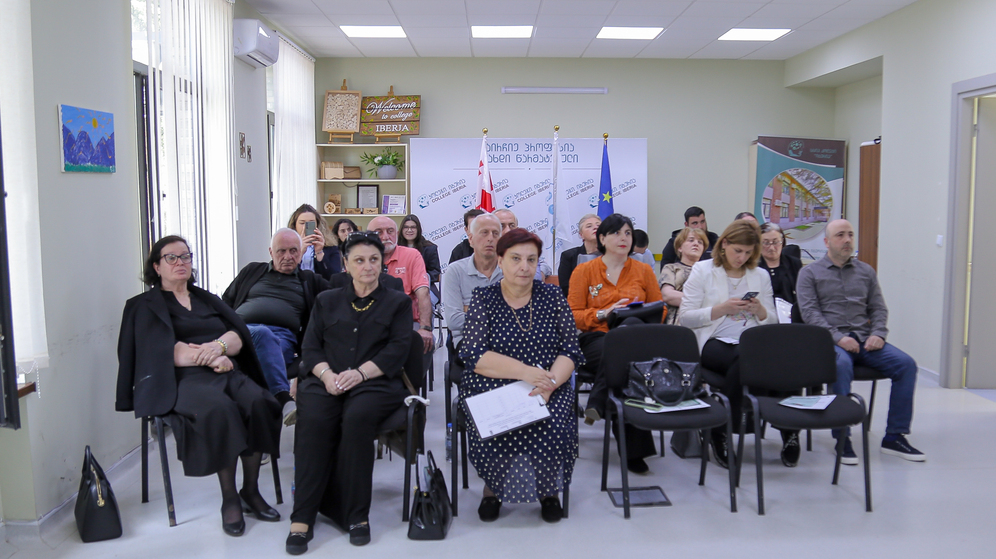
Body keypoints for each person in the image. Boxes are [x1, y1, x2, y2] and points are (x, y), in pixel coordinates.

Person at [116, 236, 282, 538]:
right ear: (156, 266)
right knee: (221, 410)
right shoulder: (143, 306)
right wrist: (212, 358)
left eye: (185, 256)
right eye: (171, 257)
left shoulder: (207, 298)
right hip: (180, 379)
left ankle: (250, 490)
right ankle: (229, 499)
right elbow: (162, 351)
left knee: (260, 403)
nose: (180, 262)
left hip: (226, 371)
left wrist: (220, 347)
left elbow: (237, 335)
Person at [286, 232, 414, 554]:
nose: (367, 266)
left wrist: (359, 374)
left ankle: (357, 515)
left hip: (375, 381)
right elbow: (310, 348)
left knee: (357, 418)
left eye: (374, 259)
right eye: (359, 260)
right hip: (326, 379)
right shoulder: (326, 300)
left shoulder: (398, 302)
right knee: (315, 421)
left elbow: (397, 350)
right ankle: (302, 517)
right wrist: (327, 375)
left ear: (382, 263)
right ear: (345, 264)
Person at [459, 228, 583, 524]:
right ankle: (492, 489)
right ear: (500, 260)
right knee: (497, 424)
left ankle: (548, 490)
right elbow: (474, 355)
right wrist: (528, 373)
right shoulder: (484, 298)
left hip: (548, 385)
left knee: (552, 424)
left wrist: (549, 384)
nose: (524, 267)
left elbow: (570, 349)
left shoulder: (552, 295)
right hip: (492, 384)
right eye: (516, 258)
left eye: (531, 259)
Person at [796, 219, 925, 464]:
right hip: (831, 342)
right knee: (841, 366)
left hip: (865, 340)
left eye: (850, 235)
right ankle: (842, 437)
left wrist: (878, 333)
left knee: (906, 365)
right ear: (826, 242)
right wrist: (839, 338)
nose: (847, 240)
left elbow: (878, 308)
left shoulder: (866, 271)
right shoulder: (809, 273)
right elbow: (810, 314)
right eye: (840, 235)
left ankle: (895, 436)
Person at [678, 220, 777, 469]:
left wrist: (760, 311)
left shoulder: (760, 275)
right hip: (713, 341)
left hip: (751, 342)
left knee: (755, 356)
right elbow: (686, 317)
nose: (742, 258)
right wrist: (721, 309)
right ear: (724, 245)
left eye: (748, 252)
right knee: (747, 358)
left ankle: (720, 428)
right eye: (737, 251)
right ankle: (735, 423)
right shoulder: (703, 270)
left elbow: (773, 321)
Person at [568, 214, 663, 474]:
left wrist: (636, 314)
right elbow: (573, 314)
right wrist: (604, 313)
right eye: (617, 233)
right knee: (625, 359)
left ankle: (598, 400)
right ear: (602, 238)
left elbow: (660, 309)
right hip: (596, 338)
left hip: (636, 338)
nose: (624, 238)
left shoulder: (644, 270)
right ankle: (634, 452)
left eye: (628, 233)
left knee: (628, 338)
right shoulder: (584, 270)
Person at [222, 229, 329, 406]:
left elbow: (338, 293)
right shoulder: (253, 271)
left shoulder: (309, 280)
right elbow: (226, 303)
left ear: (301, 252)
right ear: (271, 252)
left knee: (263, 340)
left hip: (280, 338)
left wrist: (321, 256)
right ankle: (283, 401)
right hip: (240, 332)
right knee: (259, 337)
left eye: (293, 251)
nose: (288, 256)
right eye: (281, 251)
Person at [367, 216, 433, 353]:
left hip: (407, 321)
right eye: (379, 232)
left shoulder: (412, 255)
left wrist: (425, 328)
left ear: (397, 234)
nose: (386, 237)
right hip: (371, 322)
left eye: (390, 231)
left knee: (421, 343)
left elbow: (423, 293)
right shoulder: (362, 258)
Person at [443, 213, 503, 349]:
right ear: (471, 239)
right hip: (468, 340)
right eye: (484, 233)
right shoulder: (455, 270)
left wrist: (469, 309)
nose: (490, 238)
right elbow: (453, 320)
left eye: (495, 234)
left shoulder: (510, 270)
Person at [659, 227, 709, 325]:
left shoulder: (709, 271)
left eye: (700, 242)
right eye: (691, 240)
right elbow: (667, 295)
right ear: (680, 247)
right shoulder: (670, 268)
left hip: (705, 321)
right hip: (678, 322)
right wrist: (703, 300)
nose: (696, 244)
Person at [758, 222, 803, 324]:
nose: (771, 248)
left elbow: (801, 294)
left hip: (790, 318)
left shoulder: (794, 263)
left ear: (782, 242)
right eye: (766, 243)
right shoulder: (754, 266)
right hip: (763, 319)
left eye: (775, 242)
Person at [494, 208, 553, 280]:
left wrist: (540, 273)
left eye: (512, 226)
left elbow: (544, 266)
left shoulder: (523, 250)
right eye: (502, 226)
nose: (508, 231)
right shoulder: (485, 253)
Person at [289, 204, 340, 279]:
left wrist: (319, 253)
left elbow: (334, 277)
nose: (305, 227)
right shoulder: (286, 247)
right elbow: (285, 275)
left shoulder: (331, 247)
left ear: (317, 224)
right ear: (295, 225)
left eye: (311, 223)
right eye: (302, 223)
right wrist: (300, 252)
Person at [557, 213, 600, 297]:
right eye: (589, 226)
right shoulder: (568, 256)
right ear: (581, 235)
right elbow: (566, 288)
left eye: (598, 225)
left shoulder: (611, 255)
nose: (595, 228)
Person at [398, 213, 441, 284]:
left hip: (423, 285)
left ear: (418, 229)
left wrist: (417, 278)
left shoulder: (430, 248)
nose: (409, 230)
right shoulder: (395, 248)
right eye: (406, 227)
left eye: (413, 227)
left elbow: (435, 273)